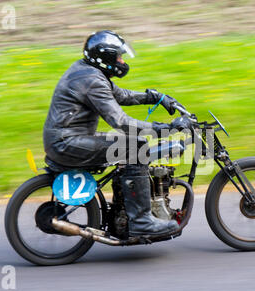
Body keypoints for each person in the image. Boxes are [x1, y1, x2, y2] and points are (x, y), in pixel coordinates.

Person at [43, 30, 190, 237]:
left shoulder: (87, 70)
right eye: (119, 56)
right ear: (107, 58)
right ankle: (140, 222)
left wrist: (155, 97)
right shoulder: (92, 81)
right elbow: (121, 122)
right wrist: (164, 128)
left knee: (133, 143)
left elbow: (121, 95)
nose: (122, 61)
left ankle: (124, 207)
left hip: (67, 139)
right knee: (136, 148)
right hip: (67, 143)